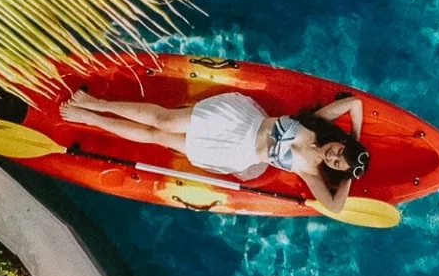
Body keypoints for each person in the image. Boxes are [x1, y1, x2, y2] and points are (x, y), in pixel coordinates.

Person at [59, 88, 369, 214]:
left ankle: (90, 118)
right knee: (164, 118)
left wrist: (350, 175)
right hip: (237, 119)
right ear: (340, 143)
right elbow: (355, 103)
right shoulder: (317, 124)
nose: (334, 157)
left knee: (158, 136)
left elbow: (335, 207)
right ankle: (92, 103)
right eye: (340, 151)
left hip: (233, 150)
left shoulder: (310, 171)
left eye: (338, 163)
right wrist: (355, 139)